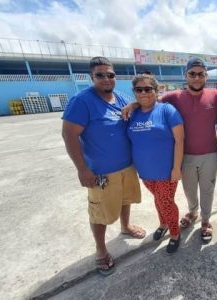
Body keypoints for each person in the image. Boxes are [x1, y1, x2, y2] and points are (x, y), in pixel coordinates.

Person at [123, 57, 217, 243]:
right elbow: (151, 99)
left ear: (205, 76)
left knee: (207, 190)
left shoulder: (216, 95)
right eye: (192, 74)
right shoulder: (175, 97)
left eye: (200, 74)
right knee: (190, 190)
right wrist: (133, 104)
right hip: (186, 155)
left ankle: (206, 221)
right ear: (186, 75)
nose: (196, 78)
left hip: (210, 154)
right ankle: (193, 213)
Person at [62, 56, 145, 275]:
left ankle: (125, 227)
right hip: (101, 171)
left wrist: (135, 103)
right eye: (100, 75)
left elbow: (140, 103)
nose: (106, 79)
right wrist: (82, 169)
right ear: (91, 77)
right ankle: (101, 250)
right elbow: (69, 135)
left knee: (126, 200)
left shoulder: (119, 97)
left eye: (110, 75)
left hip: (127, 166)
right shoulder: (82, 101)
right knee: (100, 213)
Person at [127, 74, 185, 254]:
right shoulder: (132, 113)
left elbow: (180, 140)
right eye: (139, 89)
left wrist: (176, 168)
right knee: (158, 200)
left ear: (156, 90)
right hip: (145, 171)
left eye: (148, 89)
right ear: (134, 92)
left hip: (166, 171)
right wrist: (133, 105)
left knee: (166, 202)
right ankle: (164, 223)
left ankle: (175, 233)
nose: (143, 92)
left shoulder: (167, 110)